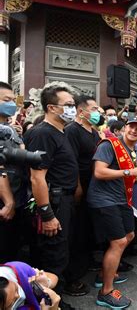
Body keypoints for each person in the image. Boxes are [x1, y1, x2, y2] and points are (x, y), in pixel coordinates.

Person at [23, 85, 79, 310]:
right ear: (51, 108)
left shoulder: (61, 132)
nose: (72, 109)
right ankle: (48, 304)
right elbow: (38, 178)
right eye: (68, 105)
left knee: (60, 253)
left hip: (64, 201)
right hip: (51, 204)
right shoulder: (43, 133)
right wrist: (47, 214)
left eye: (73, 105)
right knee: (51, 256)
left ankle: (55, 299)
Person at [87, 119, 137, 309]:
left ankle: (104, 274)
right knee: (119, 241)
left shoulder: (131, 151)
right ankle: (105, 292)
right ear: (124, 128)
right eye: (131, 127)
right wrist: (130, 171)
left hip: (121, 199)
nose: (134, 131)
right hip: (104, 200)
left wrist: (135, 176)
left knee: (129, 235)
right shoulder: (109, 145)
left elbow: (124, 175)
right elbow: (99, 172)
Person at [63, 95, 102, 297]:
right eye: (94, 109)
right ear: (81, 111)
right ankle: (73, 275)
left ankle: (87, 261)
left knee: (87, 226)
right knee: (76, 230)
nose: (98, 112)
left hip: (94, 185)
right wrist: (77, 186)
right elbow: (73, 162)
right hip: (79, 185)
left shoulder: (94, 132)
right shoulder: (72, 131)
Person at [0, 82, 27, 263]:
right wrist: (8, 201)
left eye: (12, 100)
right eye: (6, 100)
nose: (11, 104)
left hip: (18, 195)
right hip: (4, 201)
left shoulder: (9, 129)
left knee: (13, 247)